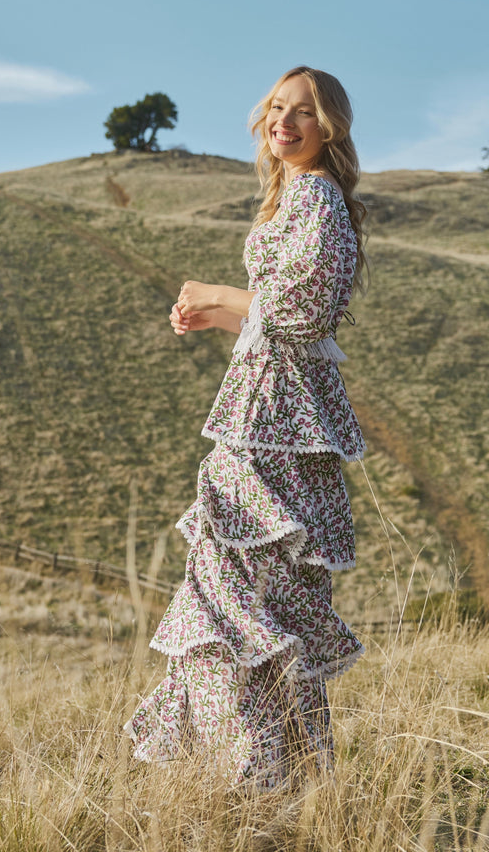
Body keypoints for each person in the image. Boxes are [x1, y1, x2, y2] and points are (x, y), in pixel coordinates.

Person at [125, 66, 367, 790]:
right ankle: (278, 769)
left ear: (329, 128)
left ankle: (255, 770)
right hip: (270, 411)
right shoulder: (293, 195)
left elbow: (305, 312)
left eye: (302, 113)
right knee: (253, 597)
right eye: (276, 109)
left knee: (233, 591)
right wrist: (217, 316)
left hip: (279, 427)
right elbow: (277, 324)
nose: (283, 123)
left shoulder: (317, 195)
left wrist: (218, 290)